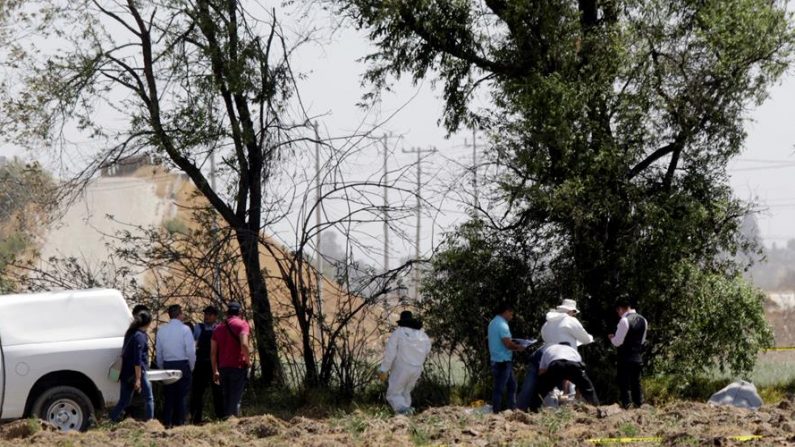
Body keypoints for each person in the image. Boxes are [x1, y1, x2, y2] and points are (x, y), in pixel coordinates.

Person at [378, 311, 432, 415]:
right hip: (417, 369)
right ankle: (408, 414)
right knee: (406, 392)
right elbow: (427, 350)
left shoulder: (399, 332)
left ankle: (403, 413)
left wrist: (384, 369)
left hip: (402, 367)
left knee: (394, 393)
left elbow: (390, 352)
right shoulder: (422, 334)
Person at [109, 311, 154, 422]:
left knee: (124, 401)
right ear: (148, 323)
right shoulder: (140, 337)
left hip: (125, 373)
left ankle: (111, 420)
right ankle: (151, 422)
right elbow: (137, 360)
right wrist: (138, 379)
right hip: (137, 373)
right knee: (149, 398)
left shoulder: (130, 333)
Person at [156, 304, 196, 427]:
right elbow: (190, 351)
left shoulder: (162, 330)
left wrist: (161, 367)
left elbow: (159, 352)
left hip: (168, 364)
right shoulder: (185, 329)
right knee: (183, 395)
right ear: (180, 314)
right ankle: (181, 422)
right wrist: (191, 365)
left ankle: (167, 422)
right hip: (183, 363)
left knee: (169, 395)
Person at [529, 342, 599, 412]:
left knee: (539, 390)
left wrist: (544, 385)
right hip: (573, 365)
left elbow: (541, 371)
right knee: (588, 388)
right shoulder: (573, 351)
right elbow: (580, 373)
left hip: (556, 365)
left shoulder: (550, 349)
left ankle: (532, 411)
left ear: (559, 345)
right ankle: (596, 409)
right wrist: (577, 398)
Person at [211, 302, 251, 418]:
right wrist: (248, 362)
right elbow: (244, 344)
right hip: (238, 367)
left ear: (226, 313)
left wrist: (215, 371)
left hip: (223, 368)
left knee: (227, 398)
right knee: (236, 399)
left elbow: (213, 353)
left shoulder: (218, 328)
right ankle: (233, 424)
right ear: (240, 313)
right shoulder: (242, 325)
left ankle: (226, 422)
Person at [487, 302, 527, 412]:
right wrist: (519, 347)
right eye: (511, 313)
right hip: (502, 361)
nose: (512, 316)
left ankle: (512, 409)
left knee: (512, 385)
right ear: (506, 312)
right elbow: (508, 344)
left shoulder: (493, 322)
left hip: (497, 359)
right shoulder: (502, 325)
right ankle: (496, 412)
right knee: (499, 388)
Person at [609, 299, 648, 409]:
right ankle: (638, 404)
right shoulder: (643, 320)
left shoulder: (624, 321)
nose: (618, 313)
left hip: (625, 357)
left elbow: (618, 342)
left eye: (618, 310)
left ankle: (626, 405)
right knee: (636, 382)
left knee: (624, 382)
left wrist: (612, 338)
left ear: (620, 309)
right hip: (637, 356)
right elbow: (642, 340)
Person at [190, 305, 224, 424]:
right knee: (197, 393)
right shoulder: (198, 328)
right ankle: (196, 418)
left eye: (209, 314)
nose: (207, 316)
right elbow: (191, 345)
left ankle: (221, 417)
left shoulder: (219, 328)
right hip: (200, 364)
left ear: (215, 316)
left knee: (218, 392)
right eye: (205, 314)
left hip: (214, 365)